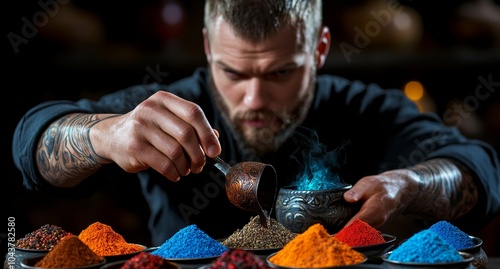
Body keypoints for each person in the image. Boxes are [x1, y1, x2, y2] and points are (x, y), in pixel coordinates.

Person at [12, 0, 500, 246]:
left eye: (282, 72)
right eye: (233, 71)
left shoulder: (364, 107)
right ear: (207, 48)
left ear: (320, 49)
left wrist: (412, 184)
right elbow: (30, 142)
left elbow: (480, 169)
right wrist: (101, 134)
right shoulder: (167, 105)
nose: (255, 97)